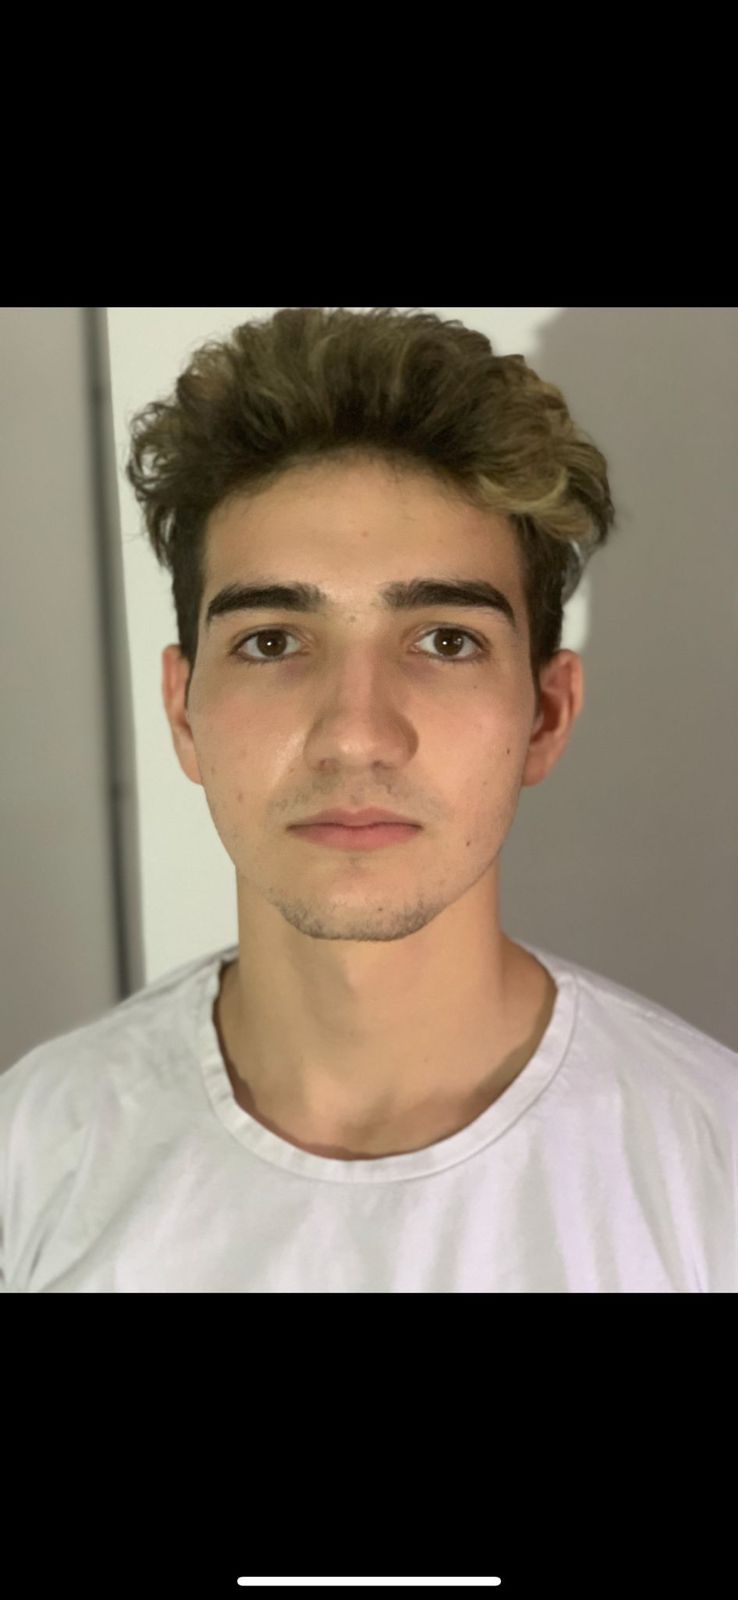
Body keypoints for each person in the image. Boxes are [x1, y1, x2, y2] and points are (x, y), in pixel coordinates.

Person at [2, 307, 736, 1293]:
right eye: (271, 641)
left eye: (445, 640)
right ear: (183, 711)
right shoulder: (33, 1155)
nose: (354, 733)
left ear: (547, 715)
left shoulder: (710, 1170)